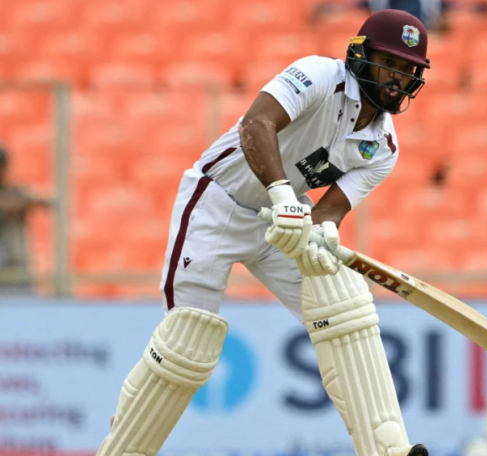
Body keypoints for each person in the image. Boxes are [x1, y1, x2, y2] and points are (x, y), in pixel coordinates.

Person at [96, 10, 431, 456]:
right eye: (389, 63)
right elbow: (256, 123)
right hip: (217, 201)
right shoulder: (319, 75)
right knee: (186, 341)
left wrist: (321, 236)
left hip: (282, 219)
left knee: (344, 302)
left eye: (408, 69)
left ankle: (385, 448)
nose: (398, 78)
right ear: (360, 54)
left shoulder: (383, 148)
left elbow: (328, 212)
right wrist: (280, 193)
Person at [0, 146, 51, 296]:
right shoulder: (16, 196)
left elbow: (44, 201)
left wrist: (24, 201)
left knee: (23, 303)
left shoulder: (16, 191)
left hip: (16, 267)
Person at [311, 0, 487, 33]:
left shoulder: (432, 4)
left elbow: (454, 8)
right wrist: (330, 10)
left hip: (422, 41)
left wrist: (482, 9)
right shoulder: (377, 2)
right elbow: (354, 8)